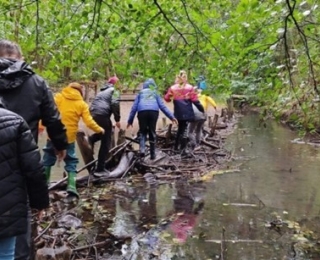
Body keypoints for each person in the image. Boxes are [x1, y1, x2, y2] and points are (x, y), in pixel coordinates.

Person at [0, 39, 68, 260]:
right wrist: (61, 145)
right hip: (20, 158)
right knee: (19, 218)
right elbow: (53, 119)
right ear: (20, 58)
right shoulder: (36, 83)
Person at [0, 99, 49, 260]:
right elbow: (34, 168)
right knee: (6, 254)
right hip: (7, 209)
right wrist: (40, 203)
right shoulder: (15, 121)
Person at [43, 83, 104, 196]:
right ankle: (71, 186)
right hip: (69, 137)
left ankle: (44, 184)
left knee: (47, 158)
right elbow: (89, 121)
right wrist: (99, 129)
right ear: (80, 92)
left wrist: (41, 126)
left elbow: (47, 112)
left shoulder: (58, 97)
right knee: (71, 160)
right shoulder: (81, 104)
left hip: (53, 135)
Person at [127, 78, 177, 159]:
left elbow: (134, 107)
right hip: (153, 112)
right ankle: (153, 155)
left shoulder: (140, 93)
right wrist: (172, 117)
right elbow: (162, 106)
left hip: (142, 111)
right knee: (152, 132)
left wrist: (130, 120)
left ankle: (142, 149)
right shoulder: (155, 93)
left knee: (142, 132)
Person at [164, 70, 204, 152]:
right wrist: (201, 109)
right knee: (185, 131)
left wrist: (172, 96)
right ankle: (183, 149)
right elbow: (195, 101)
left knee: (180, 129)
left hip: (178, 113)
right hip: (187, 113)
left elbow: (167, 98)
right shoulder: (190, 88)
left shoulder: (173, 88)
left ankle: (176, 147)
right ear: (185, 78)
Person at [89, 76, 121, 176]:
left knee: (105, 132)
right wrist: (117, 120)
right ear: (116, 84)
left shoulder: (102, 91)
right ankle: (100, 169)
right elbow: (115, 104)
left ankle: (92, 138)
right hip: (102, 114)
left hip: (93, 113)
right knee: (106, 141)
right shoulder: (114, 90)